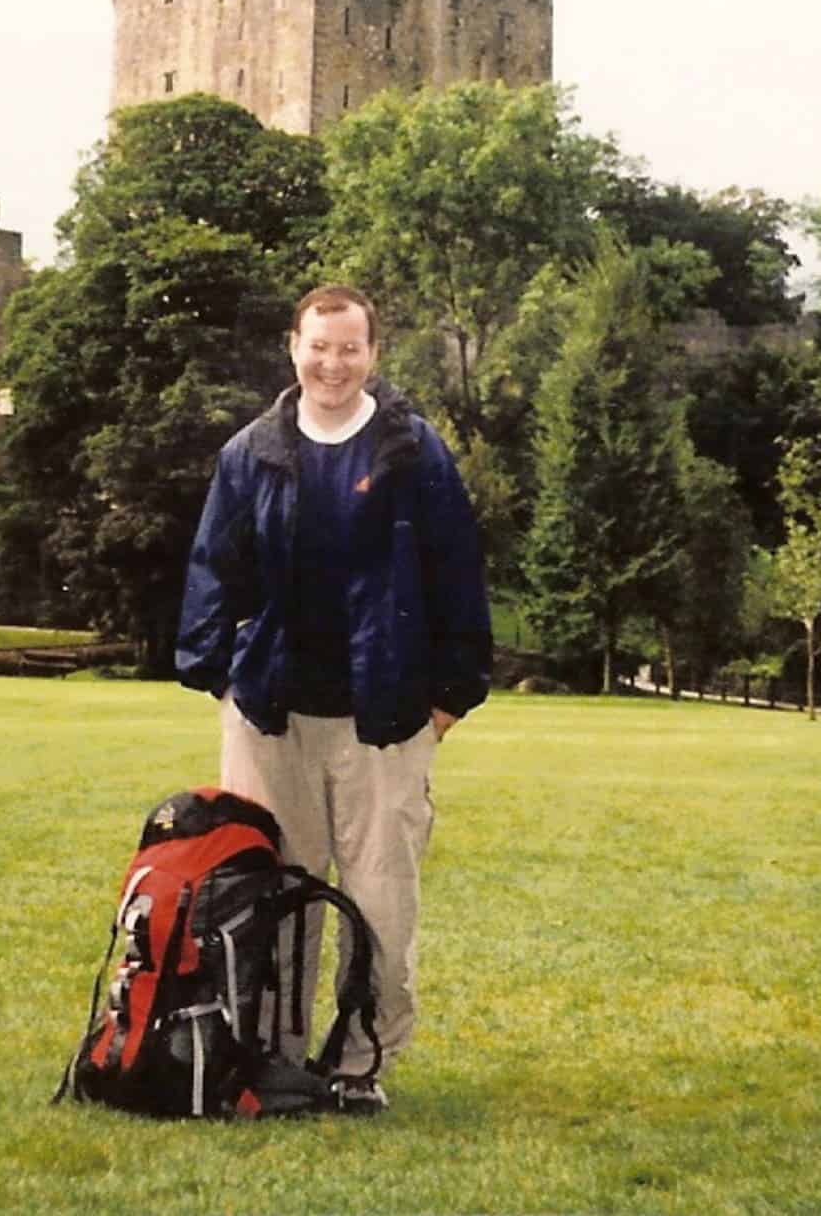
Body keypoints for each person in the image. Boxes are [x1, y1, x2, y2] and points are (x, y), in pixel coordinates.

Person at [177, 283, 492, 1116]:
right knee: (271, 898)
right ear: (294, 348)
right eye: (320, 346)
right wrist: (223, 680)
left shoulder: (413, 452)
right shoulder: (251, 453)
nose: (333, 363)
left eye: (350, 348)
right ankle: (273, 1058)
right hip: (271, 717)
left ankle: (360, 1065)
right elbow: (212, 571)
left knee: (381, 904)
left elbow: (458, 578)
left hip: (384, 722)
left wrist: (449, 703)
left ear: (373, 356)